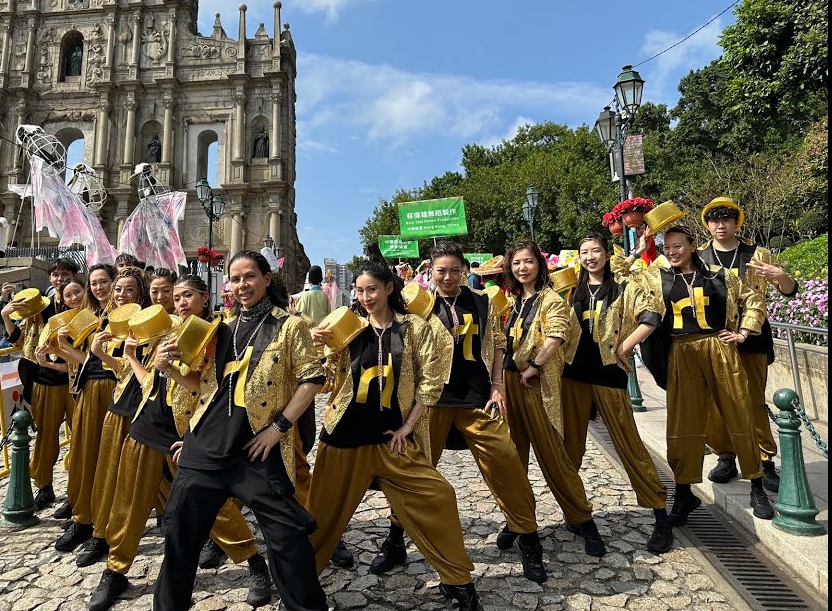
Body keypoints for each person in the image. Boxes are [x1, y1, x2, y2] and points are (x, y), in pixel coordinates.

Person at [152, 251, 328, 611]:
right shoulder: (218, 328)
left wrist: (278, 428)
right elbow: (198, 382)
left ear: (266, 279)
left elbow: (313, 378)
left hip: (256, 450)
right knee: (180, 539)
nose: (242, 285)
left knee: (288, 537)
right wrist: (165, 368)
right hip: (205, 446)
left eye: (249, 276)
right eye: (235, 279)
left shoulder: (289, 325)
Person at [307, 261, 484, 611]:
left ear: (390, 287)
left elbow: (431, 383)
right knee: (321, 518)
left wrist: (408, 425)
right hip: (344, 438)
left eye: (372, 288)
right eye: (359, 290)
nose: (365, 297)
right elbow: (326, 380)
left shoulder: (415, 329)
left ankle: (458, 582)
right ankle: (300, 587)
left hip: (393, 440)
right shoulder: (348, 329)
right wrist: (320, 349)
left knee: (439, 497)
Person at [90, 275, 274, 610]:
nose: (180, 302)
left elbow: (205, 389)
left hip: (186, 436)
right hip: (147, 429)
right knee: (127, 505)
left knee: (214, 508)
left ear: (206, 298)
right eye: (176, 297)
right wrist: (134, 357)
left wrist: (191, 433)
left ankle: (253, 562)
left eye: (187, 295)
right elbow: (150, 386)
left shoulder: (212, 335)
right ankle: (115, 570)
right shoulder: (159, 333)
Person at [370, 241, 546, 585]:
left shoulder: (482, 301)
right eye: (440, 271)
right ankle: (395, 541)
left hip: (476, 400)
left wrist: (497, 385)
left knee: (506, 465)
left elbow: (497, 342)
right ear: (430, 272)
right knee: (413, 474)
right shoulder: (417, 304)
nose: (448, 277)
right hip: (430, 403)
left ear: (464, 270)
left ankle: (528, 538)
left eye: (454, 270)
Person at [618, 224, 773, 525]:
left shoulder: (720, 275)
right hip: (681, 352)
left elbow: (753, 299)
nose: (672, 252)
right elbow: (621, 275)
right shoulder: (654, 278)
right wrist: (639, 249)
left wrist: (743, 332)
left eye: (678, 245)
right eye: (667, 247)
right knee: (683, 422)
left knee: (739, 412)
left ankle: (756, 484)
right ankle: (684, 490)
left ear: (692, 245)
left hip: (720, 348)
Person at [564, 234, 673, 553]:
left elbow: (651, 316)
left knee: (628, 443)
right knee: (570, 447)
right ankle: (577, 512)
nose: (590, 257)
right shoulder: (574, 290)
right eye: (584, 252)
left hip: (608, 372)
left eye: (596, 250)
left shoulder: (624, 287)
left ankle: (660, 515)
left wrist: (626, 344)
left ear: (606, 254)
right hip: (573, 375)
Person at [498, 239, 606, 557]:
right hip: (509, 383)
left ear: (539, 265)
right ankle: (518, 520)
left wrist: (536, 365)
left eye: (528, 261)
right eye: (516, 262)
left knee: (554, 459)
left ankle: (583, 519)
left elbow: (557, 334)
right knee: (513, 460)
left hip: (536, 384)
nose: (522, 268)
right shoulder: (512, 303)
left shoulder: (551, 300)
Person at [697, 198, 798, 493]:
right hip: (714, 338)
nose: (720, 224)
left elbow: (788, 291)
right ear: (708, 224)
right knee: (715, 401)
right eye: (714, 219)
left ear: (736, 221)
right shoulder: (699, 255)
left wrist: (781, 276)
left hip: (752, 337)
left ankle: (764, 460)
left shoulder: (756, 253)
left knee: (752, 400)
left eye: (726, 218)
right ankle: (726, 454)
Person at [74, 270, 149, 569]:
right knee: (109, 472)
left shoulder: (148, 323)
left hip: (145, 409)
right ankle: (102, 535)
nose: (120, 294)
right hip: (118, 404)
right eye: (118, 289)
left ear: (140, 294)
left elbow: (142, 370)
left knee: (151, 478)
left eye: (129, 289)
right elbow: (121, 369)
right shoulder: (105, 322)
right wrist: (98, 353)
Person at [51, 265, 120, 553]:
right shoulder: (92, 318)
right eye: (94, 283)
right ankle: (83, 518)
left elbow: (114, 362)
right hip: (89, 387)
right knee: (82, 454)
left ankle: (102, 527)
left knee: (105, 459)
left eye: (105, 282)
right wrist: (59, 348)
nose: (99, 287)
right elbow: (87, 360)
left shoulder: (121, 317)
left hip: (111, 389)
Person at [33, 278, 89, 514]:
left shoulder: (95, 318)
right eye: (68, 295)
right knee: (46, 435)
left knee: (83, 439)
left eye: (78, 292)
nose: (74, 298)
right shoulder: (51, 319)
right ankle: (43, 485)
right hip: (50, 382)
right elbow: (29, 346)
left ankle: (77, 492)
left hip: (84, 386)